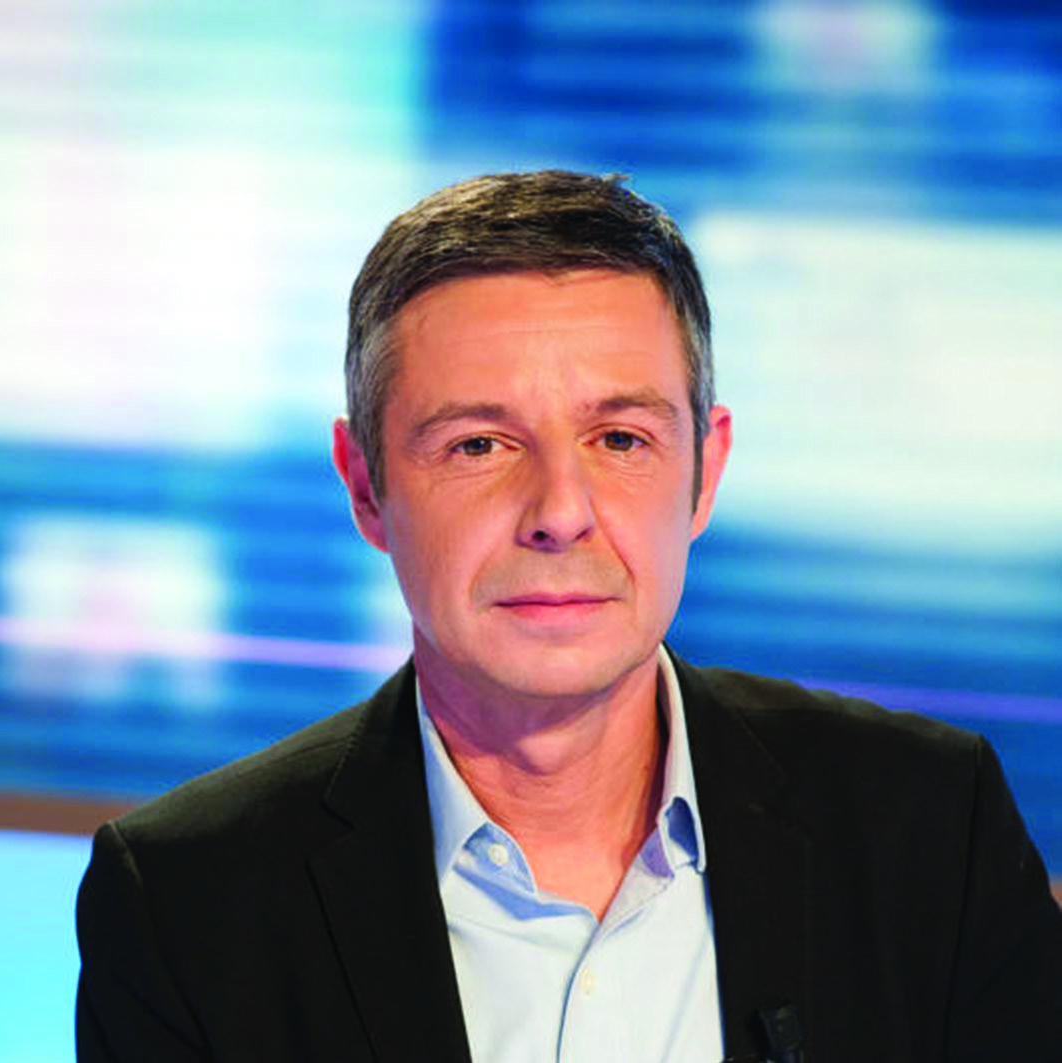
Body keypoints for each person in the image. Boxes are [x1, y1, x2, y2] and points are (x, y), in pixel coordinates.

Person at [76, 171, 1062, 1063]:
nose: (558, 511)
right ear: (365, 487)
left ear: (705, 470)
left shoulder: (931, 831)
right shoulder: (186, 905)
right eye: (478, 445)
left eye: (619, 438)